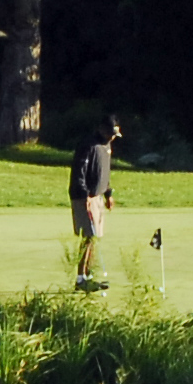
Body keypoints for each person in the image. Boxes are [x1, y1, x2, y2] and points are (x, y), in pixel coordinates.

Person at [70, 117, 122, 289]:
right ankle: (81, 279)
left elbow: (103, 172)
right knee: (88, 236)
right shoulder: (88, 144)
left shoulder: (106, 145)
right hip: (84, 196)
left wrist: (108, 193)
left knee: (94, 237)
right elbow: (79, 172)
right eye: (109, 133)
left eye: (114, 134)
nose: (111, 137)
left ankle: (89, 274)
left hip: (97, 196)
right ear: (100, 128)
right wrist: (84, 195)